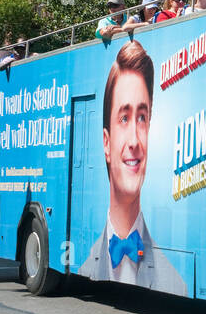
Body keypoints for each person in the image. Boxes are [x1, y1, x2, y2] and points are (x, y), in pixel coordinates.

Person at [79, 40, 187, 295]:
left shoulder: (176, 281)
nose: (134, 141)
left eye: (141, 118)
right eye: (124, 118)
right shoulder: (86, 261)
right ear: (106, 142)